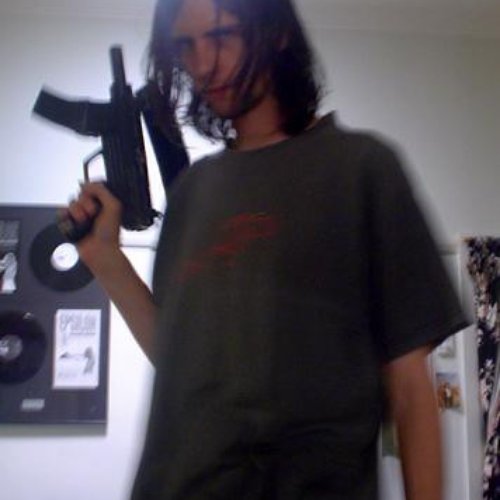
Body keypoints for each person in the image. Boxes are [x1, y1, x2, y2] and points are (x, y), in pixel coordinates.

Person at [66, 0, 468, 498]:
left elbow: (410, 387)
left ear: (277, 34)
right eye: (186, 46)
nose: (203, 64)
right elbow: (180, 362)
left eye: (221, 36)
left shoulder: (362, 169)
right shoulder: (192, 192)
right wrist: (106, 258)